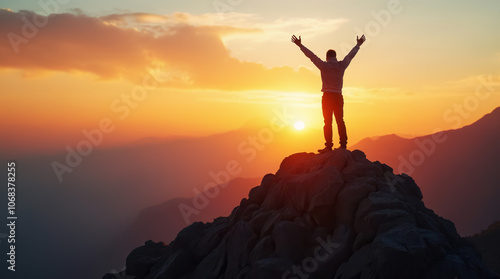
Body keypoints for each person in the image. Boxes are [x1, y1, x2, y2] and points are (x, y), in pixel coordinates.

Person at [291, 34, 365, 153]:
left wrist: (300, 45)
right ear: (335, 56)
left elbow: (311, 56)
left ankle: (328, 146)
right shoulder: (341, 66)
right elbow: (350, 56)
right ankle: (343, 145)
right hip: (338, 97)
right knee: (340, 121)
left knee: (327, 122)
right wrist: (358, 45)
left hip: (327, 97)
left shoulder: (323, 66)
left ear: (327, 57)